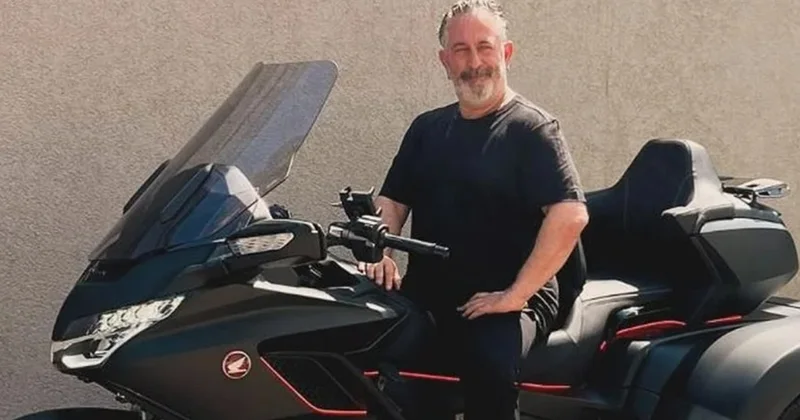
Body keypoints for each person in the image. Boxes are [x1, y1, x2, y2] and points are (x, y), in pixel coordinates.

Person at [359, 1, 589, 419]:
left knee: (488, 365)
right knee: (362, 347)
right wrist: (380, 253)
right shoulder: (428, 129)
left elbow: (569, 215)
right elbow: (392, 201)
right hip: (431, 292)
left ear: (506, 53)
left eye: (485, 47)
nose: (474, 62)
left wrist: (515, 295)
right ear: (445, 61)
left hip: (507, 297)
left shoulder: (533, 130)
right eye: (461, 50)